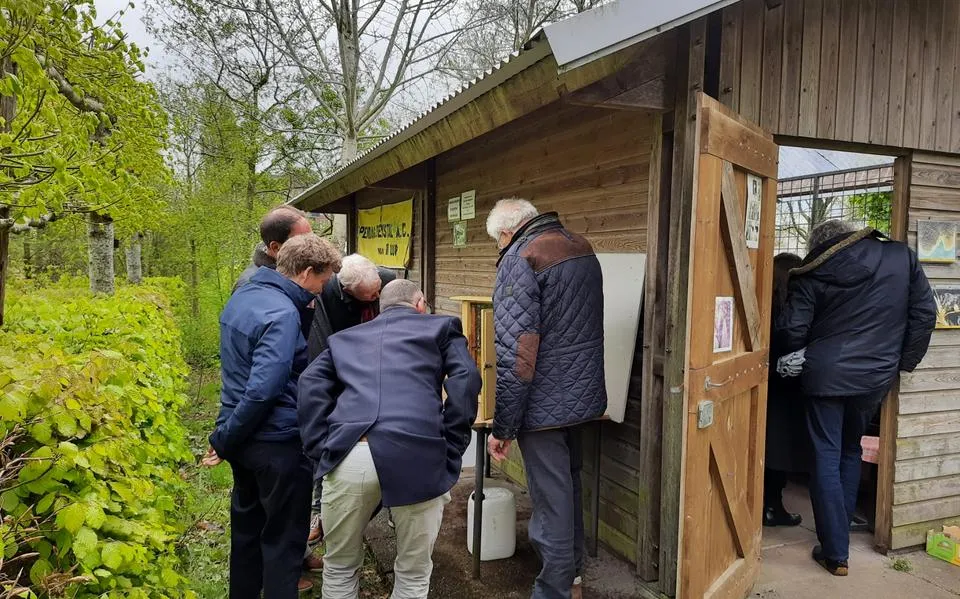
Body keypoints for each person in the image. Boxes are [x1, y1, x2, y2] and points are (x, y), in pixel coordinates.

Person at [298, 279, 481, 599]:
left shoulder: (344, 338)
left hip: (350, 452)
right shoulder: (442, 327)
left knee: (340, 567)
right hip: (418, 453)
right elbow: (465, 379)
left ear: (380, 308)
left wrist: (321, 448)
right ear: (421, 304)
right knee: (412, 572)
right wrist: (452, 443)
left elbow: (310, 382)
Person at [777, 220, 936, 576]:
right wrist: (901, 364)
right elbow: (924, 315)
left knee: (825, 456)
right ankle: (839, 541)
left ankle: (835, 552)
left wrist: (799, 354)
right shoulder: (900, 257)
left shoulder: (810, 272)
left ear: (821, 246)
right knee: (851, 450)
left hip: (824, 377)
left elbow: (791, 332)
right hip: (876, 376)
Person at [205, 233, 342, 598]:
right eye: (323, 280)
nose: (321, 290)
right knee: (283, 542)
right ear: (306, 272)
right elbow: (263, 389)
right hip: (277, 444)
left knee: (246, 532)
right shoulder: (282, 314)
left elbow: (235, 375)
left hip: (244, 443)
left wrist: (228, 435)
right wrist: (224, 437)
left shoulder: (245, 296)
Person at [484, 198, 606, 599]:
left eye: (496, 243)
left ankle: (552, 591)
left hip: (544, 406)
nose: (498, 251)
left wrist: (503, 426)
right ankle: (572, 580)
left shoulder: (521, 257)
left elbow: (517, 352)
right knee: (568, 490)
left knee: (551, 505)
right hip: (582, 397)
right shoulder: (580, 246)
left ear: (506, 233)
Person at [305, 253, 396, 543]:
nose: (377, 295)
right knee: (339, 440)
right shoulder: (327, 296)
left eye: (378, 289)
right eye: (370, 294)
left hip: (381, 369)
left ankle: (394, 506)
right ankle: (320, 511)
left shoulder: (385, 279)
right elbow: (324, 346)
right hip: (346, 369)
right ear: (347, 291)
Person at [763, 252, 806, 528]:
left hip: (765, 386)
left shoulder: (762, 303)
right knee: (778, 453)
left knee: (764, 450)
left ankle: (764, 505)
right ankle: (773, 507)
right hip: (787, 389)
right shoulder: (793, 308)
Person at [233, 206, 313, 293]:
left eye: (312, 238)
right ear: (275, 247)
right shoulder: (251, 287)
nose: (312, 246)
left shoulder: (307, 271)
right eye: (303, 242)